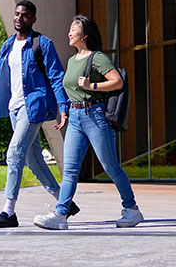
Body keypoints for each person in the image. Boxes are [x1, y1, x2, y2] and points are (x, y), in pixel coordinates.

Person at [34, 15, 143, 230]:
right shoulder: (71, 60)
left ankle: (132, 210)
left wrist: (92, 85)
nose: (69, 32)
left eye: (74, 28)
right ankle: (60, 215)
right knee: (70, 170)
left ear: (84, 35)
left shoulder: (98, 58)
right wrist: (64, 111)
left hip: (96, 116)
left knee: (111, 167)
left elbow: (117, 81)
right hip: (75, 118)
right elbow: (70, 90)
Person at [0, 0, 78, 228]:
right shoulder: (8, 46)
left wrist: (63, 106)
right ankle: (65, 202)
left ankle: (8, 211)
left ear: (33, 19)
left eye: (25, 15)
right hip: (14, 108)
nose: (19, 18)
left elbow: (56, 77)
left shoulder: (43, 44)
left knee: (14, 154)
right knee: (34, 160)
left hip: (34, 107)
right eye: (17, 14)